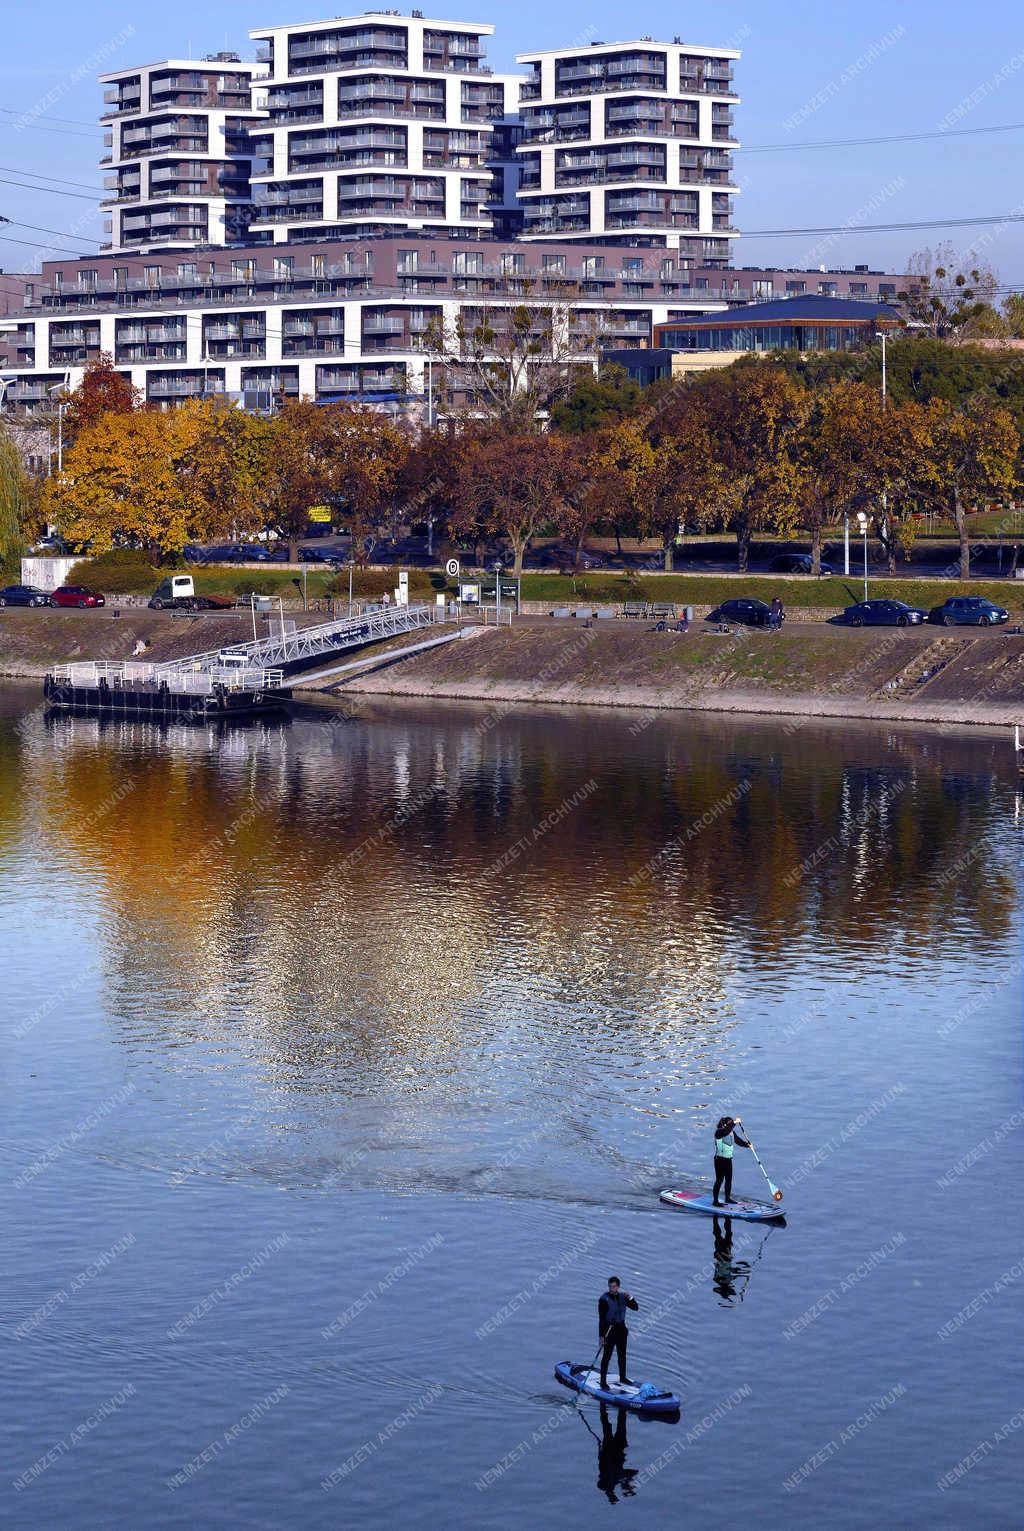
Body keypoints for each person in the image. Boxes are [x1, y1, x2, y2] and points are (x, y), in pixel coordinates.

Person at [598, 1276, 639, 1390]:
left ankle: (623, 1377)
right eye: (610, 1286)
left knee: (622, 1356)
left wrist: (630, 1297)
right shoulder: (603, 1300)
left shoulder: (623, 1297)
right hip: (609, 1331)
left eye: (614, 1286)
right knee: (607, 1357)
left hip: (621, 1330)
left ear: (618, 1287)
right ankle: (603, 1382)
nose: (612, 1288)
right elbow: (601, 1318)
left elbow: (636, 1308)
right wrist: (601, 1336)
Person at [596, 1404, 638, 1504]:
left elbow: (632, 1472)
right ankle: (619, 1405)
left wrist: (628, 1480)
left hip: (611, 1449)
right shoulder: (616, 1479)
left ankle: (605, 1403)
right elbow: (632, 1472)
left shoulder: (611, 1478)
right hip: (617, 1449)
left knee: (610, 1425)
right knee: (614, 1424)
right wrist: (628, 1480)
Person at [713, 1114, 751, 1206]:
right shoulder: (719, 1132)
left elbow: (738, 1141)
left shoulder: (731, 1132)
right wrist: (735, 1122)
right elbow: (726, 1131)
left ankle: (727, 1198)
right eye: (730, 1124)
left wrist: (747, 1145)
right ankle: (715, 1201)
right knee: (719, 1180)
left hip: (728, 1160)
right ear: (726, 1125)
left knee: (729, 1180)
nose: (731, 1126)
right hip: (719, 1160)